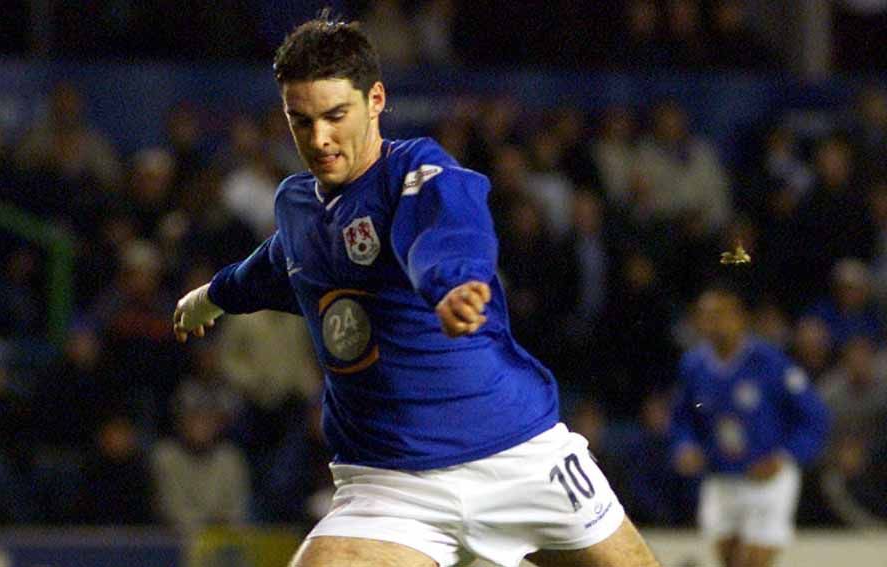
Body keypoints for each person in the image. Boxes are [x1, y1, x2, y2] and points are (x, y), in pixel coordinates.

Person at [173, 15, 660, 567]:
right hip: (390, 483)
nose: (319, 139)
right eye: (300, 121)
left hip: (518, 455)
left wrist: (449, 286)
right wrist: (212, 295)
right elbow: (275, 265)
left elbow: (442, 235)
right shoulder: (297, 205)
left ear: (375, 99)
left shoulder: (420, 172)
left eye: (336, 116)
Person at [671, 285, 829, 567]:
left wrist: (785, 456)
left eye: (721, 314)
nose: (713, 323)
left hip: (766, 478)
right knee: (729, 561)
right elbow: (683, 417)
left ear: (740, 317)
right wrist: (686, 446)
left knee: (754, 562)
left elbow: (815, 417)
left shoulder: (770, 362)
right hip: (720, 477)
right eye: (706, 316)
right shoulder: (693, 366)